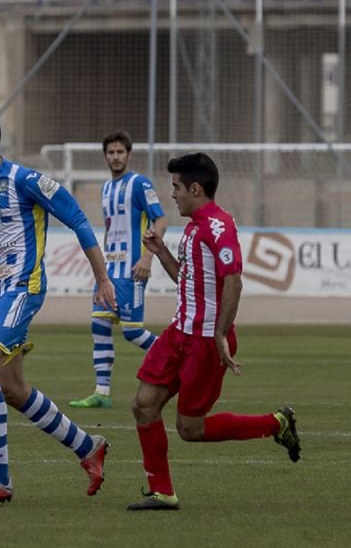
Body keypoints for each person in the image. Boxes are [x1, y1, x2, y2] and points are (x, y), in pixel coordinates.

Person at [0, 110, 116, 506]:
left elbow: (78, 220)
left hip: (25, 287)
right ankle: (87, 447)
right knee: (12, 388)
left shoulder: (26, 181)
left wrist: (103, 278)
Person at [127, 152, 301, 510]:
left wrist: (221, 334)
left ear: (195, 188)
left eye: (176, 188)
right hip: (179, 333)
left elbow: (233, 282)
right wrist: (160, 252)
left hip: (206, 341)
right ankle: (162, 492)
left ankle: (275, 423)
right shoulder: (192, 227)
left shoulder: (218, 226)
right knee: (144, 404)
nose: (172, 195)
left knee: (190, 429)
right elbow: (186, 280)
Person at [69, 131, 168, 409]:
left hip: (132, 269)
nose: (115, 157)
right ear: (105, 156)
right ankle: (102, 393)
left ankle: (177, 359)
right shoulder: (106, 188)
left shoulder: (139, 184)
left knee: (132, 332)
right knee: (99, 325)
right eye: (111, 153)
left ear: (128, 154)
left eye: (120, 152)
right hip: (109, 270)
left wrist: (148, 258)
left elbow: (161, 220)